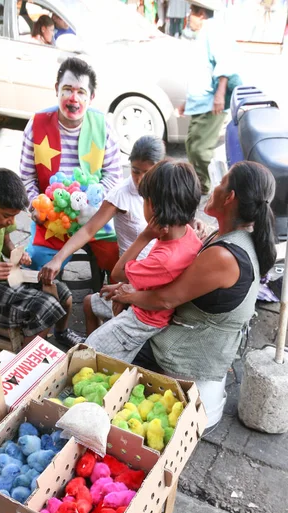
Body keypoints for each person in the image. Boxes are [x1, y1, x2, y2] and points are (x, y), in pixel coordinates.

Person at [108, 161, 277, 423]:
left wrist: (125, 295)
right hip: (197, 332)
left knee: (109, 347)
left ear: (230, 197)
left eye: (221, 183)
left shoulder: (224, 256)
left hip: (189, 351)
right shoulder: (233, 236)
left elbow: (164, 299)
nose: (212, 188)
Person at [39, 135, 166, 335]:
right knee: (91, 303)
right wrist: (58, 259)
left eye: (146, 172)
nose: (140, 179)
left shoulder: (167, 189)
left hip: (162, 275)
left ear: (160, 168)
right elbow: (89, 229)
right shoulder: (121, 194)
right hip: (132, 276)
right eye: (135, 171)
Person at [0, 168, 85, 348]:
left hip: (4, 279)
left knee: (63, 294)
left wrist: (16, 254)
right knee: (45, 307)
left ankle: (61, 334)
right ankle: (27, 360)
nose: (12, 223)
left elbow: (6, 241)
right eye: (7, 216)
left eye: (14, 217)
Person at [83, 159, 203, 362]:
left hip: (142, 321)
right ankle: (106, 350)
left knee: (86, 353)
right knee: (89, 302)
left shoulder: (164, 258)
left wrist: (144, 236)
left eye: (144, 200)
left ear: (153, 207)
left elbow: (117, 272)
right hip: (142, 297)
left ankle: (101, 357)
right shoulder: (188, 234)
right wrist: (125, 289)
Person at [19, 57, 123, 273]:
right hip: (51, 217)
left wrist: (89, 204)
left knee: (120, 260)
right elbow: (26, 177)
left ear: (91, 97)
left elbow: (114, 176)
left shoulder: (103, 126)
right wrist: (36, 206)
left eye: (81, 92)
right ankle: (51, 301)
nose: (73, 99)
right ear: (57, 89)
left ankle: (113, 302)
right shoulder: (36, 125)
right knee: (36, 264)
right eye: (67, 90)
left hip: (94, 216)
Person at [180, 1, 238, 195]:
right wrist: (186, 103)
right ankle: (200, 185)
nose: (189, 17)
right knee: (192, 144)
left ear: (202, 14)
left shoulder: (213, 31)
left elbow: (224, 62)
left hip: (211, 102)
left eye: (192, 13)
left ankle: (214, 187)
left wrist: (220, 94)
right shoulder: (202, 34)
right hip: (200, 102)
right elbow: (201, 72)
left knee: (201, 150)